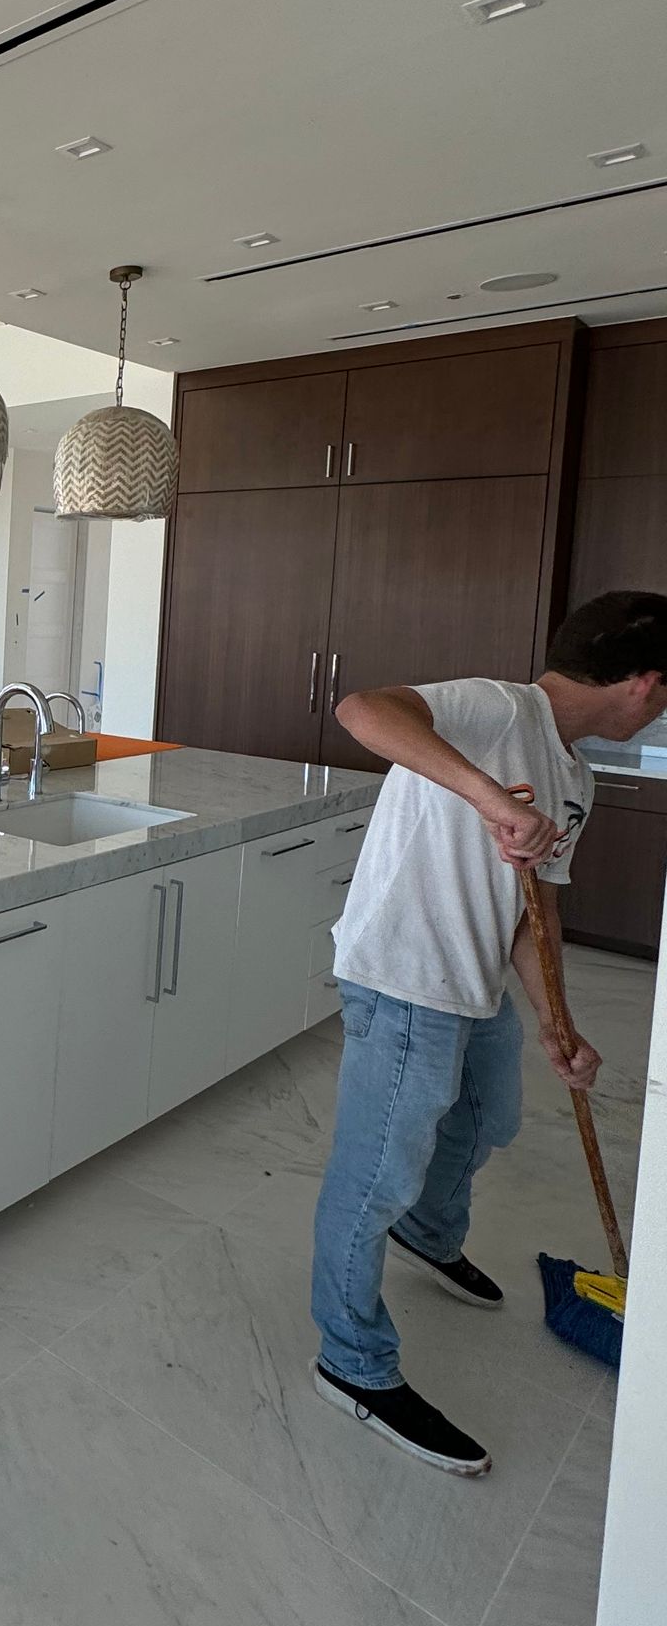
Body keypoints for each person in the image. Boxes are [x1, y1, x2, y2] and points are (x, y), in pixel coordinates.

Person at [311, 589, 667, 1475]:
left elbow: (530, 907)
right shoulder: (501, 707)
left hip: (474, 984)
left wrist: (558, 1021)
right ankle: (351, 1363)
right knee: (372, 1177)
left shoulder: (574, 777)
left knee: (489, 1120)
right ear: (646, 684)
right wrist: (488, 799)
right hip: (401, 978)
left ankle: (428, 1234)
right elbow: (363, 709)